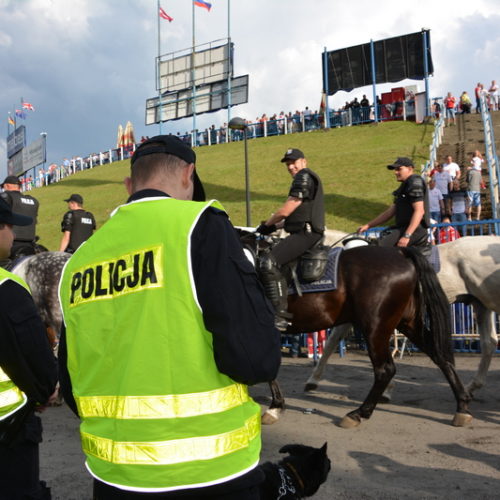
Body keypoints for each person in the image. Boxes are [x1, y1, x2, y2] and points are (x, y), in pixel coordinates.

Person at [58, 135, 281, 499]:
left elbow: (70, 382)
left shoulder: (80, 260)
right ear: (187, 175)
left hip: (114, 476)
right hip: (210, 472)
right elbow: (255, 359)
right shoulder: (199, 224)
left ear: (129, 185)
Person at [0, 197, 58, 499]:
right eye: (9, 226)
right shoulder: (6, 289)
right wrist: (44, 390)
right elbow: (38, 363)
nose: (12, 234)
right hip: (8, 433)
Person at [256, 148, 325, 330]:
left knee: (267, 262)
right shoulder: (306, 178)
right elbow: (294, 216)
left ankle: (279, 315)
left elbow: (286, 211)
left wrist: (267, 224)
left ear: (304, 161)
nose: (291, 167)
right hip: (304, 231)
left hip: (306, 234)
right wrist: (274, 226)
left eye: (294, 162)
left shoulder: (303, 177)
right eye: (288, 164)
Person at [357, 157, 430, 252]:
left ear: (410, 169)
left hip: (414, 230)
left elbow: (419, 211)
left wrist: (407, 235)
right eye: (395, 169)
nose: (395, 172)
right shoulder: (406, 185)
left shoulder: (414, 182)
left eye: (399, 169)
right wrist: (368, 225)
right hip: (403, 229)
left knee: (375, 249)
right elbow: (389, 213)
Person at [0, 175, 39, 258]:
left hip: (9, 243)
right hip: (30, 244)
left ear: (7, 185)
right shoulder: (33, 200)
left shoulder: (5, 197)